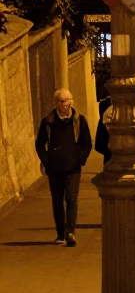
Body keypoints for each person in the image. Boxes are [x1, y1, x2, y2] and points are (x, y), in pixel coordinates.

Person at [34, 88, 92, 247]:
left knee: (72, 199)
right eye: (64, 101)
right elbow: (39, 143)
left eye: (69, 100)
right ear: (57, 103)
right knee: (57, 201)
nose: (67, 104)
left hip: (73, 168)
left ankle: (70, 232)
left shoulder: (79, 120)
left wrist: (81, 158)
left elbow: (87, 143)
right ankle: (60, 233)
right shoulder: (48, 122)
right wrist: (47, 161)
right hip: (55, 169)